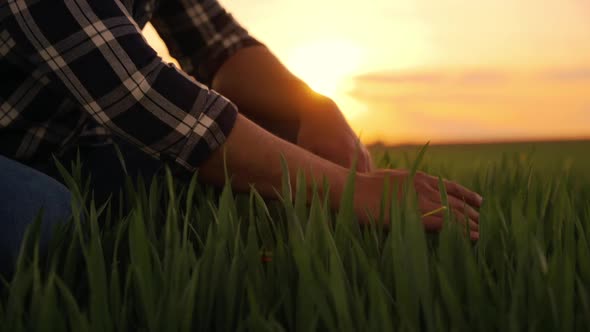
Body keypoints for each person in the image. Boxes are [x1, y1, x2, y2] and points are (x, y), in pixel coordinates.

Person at [0, 0, 482, 272]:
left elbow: (216, 44)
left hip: (67, 143)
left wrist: (314, 106)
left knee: (281, 134)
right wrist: (355, 192)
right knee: (48, 220)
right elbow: (143, 98)